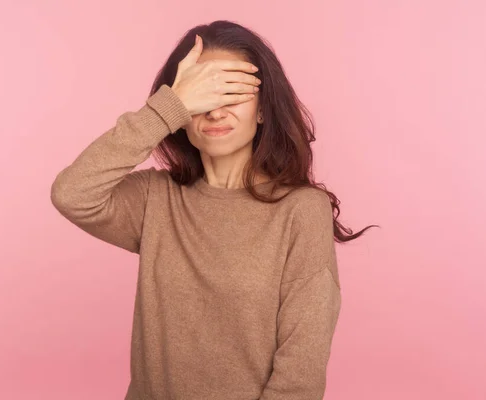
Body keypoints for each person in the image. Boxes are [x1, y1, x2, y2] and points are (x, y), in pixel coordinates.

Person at [51, 20, 377, 400]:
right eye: (202, 97)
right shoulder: (156, 199)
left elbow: (299, 376)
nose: (215, 112)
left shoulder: (301, 211)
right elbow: (72, 193)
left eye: (231, 94)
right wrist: (167, 107)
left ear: (262, 110)